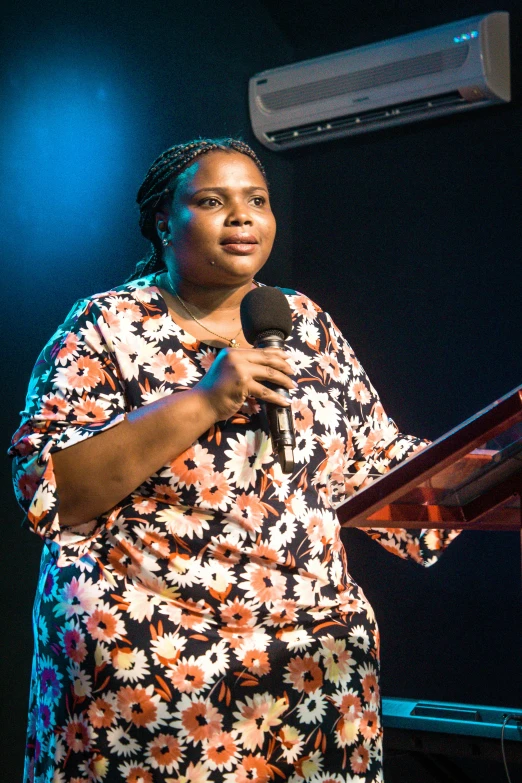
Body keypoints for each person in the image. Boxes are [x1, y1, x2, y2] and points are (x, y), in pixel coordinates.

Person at [10, 137, 459, 783]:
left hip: (312, 662)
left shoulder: (304, 321)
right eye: (213, 201)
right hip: (153, 664)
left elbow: (374, 462)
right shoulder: (107, 324)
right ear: (165, 221)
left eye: (257, 200)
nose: (242, 216)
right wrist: (205, 398)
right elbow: (51, 490)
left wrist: (483, 466)